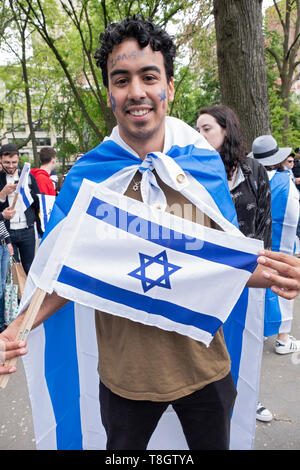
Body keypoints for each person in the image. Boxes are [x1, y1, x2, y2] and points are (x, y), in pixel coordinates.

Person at [0, 16, 300, 450]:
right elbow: (64, 271)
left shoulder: (201, 167)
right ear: (110, 93)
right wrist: (16, 329)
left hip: (205, 369)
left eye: (148, 76)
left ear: (169, 88)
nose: (136, 91)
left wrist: (278, 272)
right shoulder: (89, 177)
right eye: (121, 80)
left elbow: (227, 262)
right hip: (125, 381)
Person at [197, 106, 273, 422]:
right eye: (196, 129)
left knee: (243, 336)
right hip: (207, 277)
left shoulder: (254, 171)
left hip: (248, 275)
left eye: (206, 128)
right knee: (208, 342)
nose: (198, 135)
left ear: (226, 130)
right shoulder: (191, 172)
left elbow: (264, 222)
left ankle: (247, 398)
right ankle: (206, 405)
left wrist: (264, 269)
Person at [250, 135, 300, 354]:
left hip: (255, 245)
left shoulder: (247, 178)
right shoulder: (284, 180)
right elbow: (293, 214)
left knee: (258, 286)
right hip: (281, 244)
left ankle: (257, 331)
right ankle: (283, 338)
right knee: (284, 285)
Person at [0, 144, 41, 274]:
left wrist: (29, 193)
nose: (11, 166)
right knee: (12, 271)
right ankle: (16, 295)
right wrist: (2, 194)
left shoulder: (28, 177)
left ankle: (29, 294)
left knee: (29, 268)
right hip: (7, 232)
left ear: (19, 160)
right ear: (0, 160)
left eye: (14, 162)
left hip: (27, 230)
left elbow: (38, 204)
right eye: (7, 162)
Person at [0, 208, 15, 333]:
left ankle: (3, 321)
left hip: (3, 244)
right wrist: (2, 215)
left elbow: (1, 223)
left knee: (3, 286)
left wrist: (8, 242)